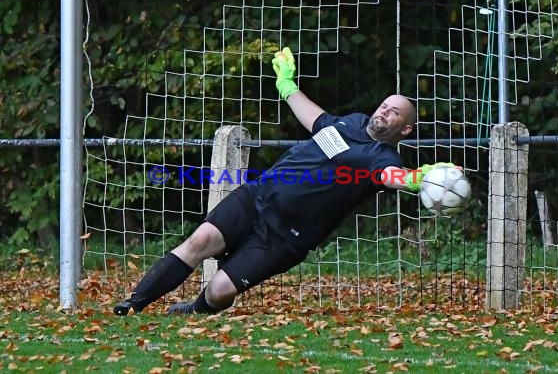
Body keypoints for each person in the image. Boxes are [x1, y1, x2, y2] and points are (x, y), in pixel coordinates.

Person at [113, 47, 454, 316]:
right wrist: (287, 85)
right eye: (384, 105)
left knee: (218, 291)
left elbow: (389, 177)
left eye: (394, 112)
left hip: (284, 237)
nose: (384, 112)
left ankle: (196, 310)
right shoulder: (350, 122)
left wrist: (414, 179)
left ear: (405, 128)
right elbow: (315, 119)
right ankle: (134, 303)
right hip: (257, 197)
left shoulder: (383, 159)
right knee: (199, 241)